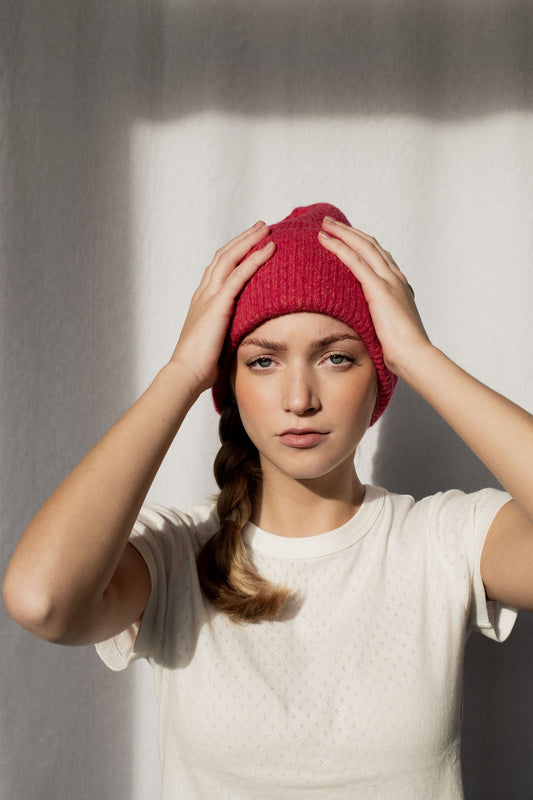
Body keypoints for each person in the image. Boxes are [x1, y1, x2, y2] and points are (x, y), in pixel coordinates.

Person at [3, 202, 533, 799]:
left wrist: (419, 356)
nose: (299, 397)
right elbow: (40, 600)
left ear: (379, 379)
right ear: (230, 383)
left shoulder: (443, 541)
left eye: (337, 357)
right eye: (263, 361)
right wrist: (181, 372)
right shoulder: (177, 556)